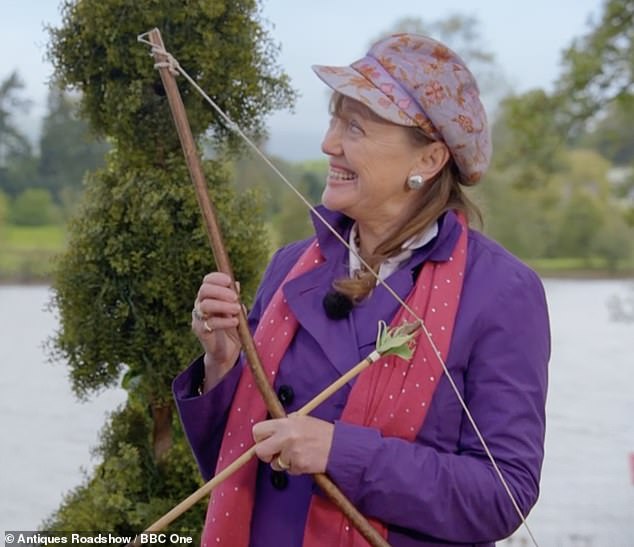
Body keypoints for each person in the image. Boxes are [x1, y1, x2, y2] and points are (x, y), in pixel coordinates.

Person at [173, 33, 550, 547]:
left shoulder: (501, 292)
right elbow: (234, 462)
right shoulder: (290, 267)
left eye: (355, 127)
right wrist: (223, 364)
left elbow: (503, 496)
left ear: (429, 159)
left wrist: (339, 452)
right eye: (333, 120)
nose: (330, 143)